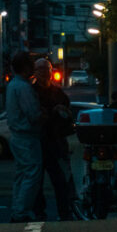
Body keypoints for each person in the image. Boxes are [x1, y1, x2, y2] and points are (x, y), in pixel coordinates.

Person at [31, 58, 75, 221]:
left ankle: (64, 211)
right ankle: (39, 212)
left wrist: (62, 112)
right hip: (38, 141)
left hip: (55, 142)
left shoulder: (58, 93)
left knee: (60, 180)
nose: (43, 73)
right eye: (40, 70)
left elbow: (68, 114)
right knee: (37, 181)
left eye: (46, 70)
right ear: (35, 73)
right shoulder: (31, 92)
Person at [6, 51, 45, 222]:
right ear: (26, 67)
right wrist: (45, 115)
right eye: (31, 66)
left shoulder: (13, 85)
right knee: (32, 173)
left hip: (17, 135)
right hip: (27, 135)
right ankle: (21, 211)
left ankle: (17, 209)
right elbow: (33, 113)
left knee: (22, 174)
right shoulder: (24, 87)